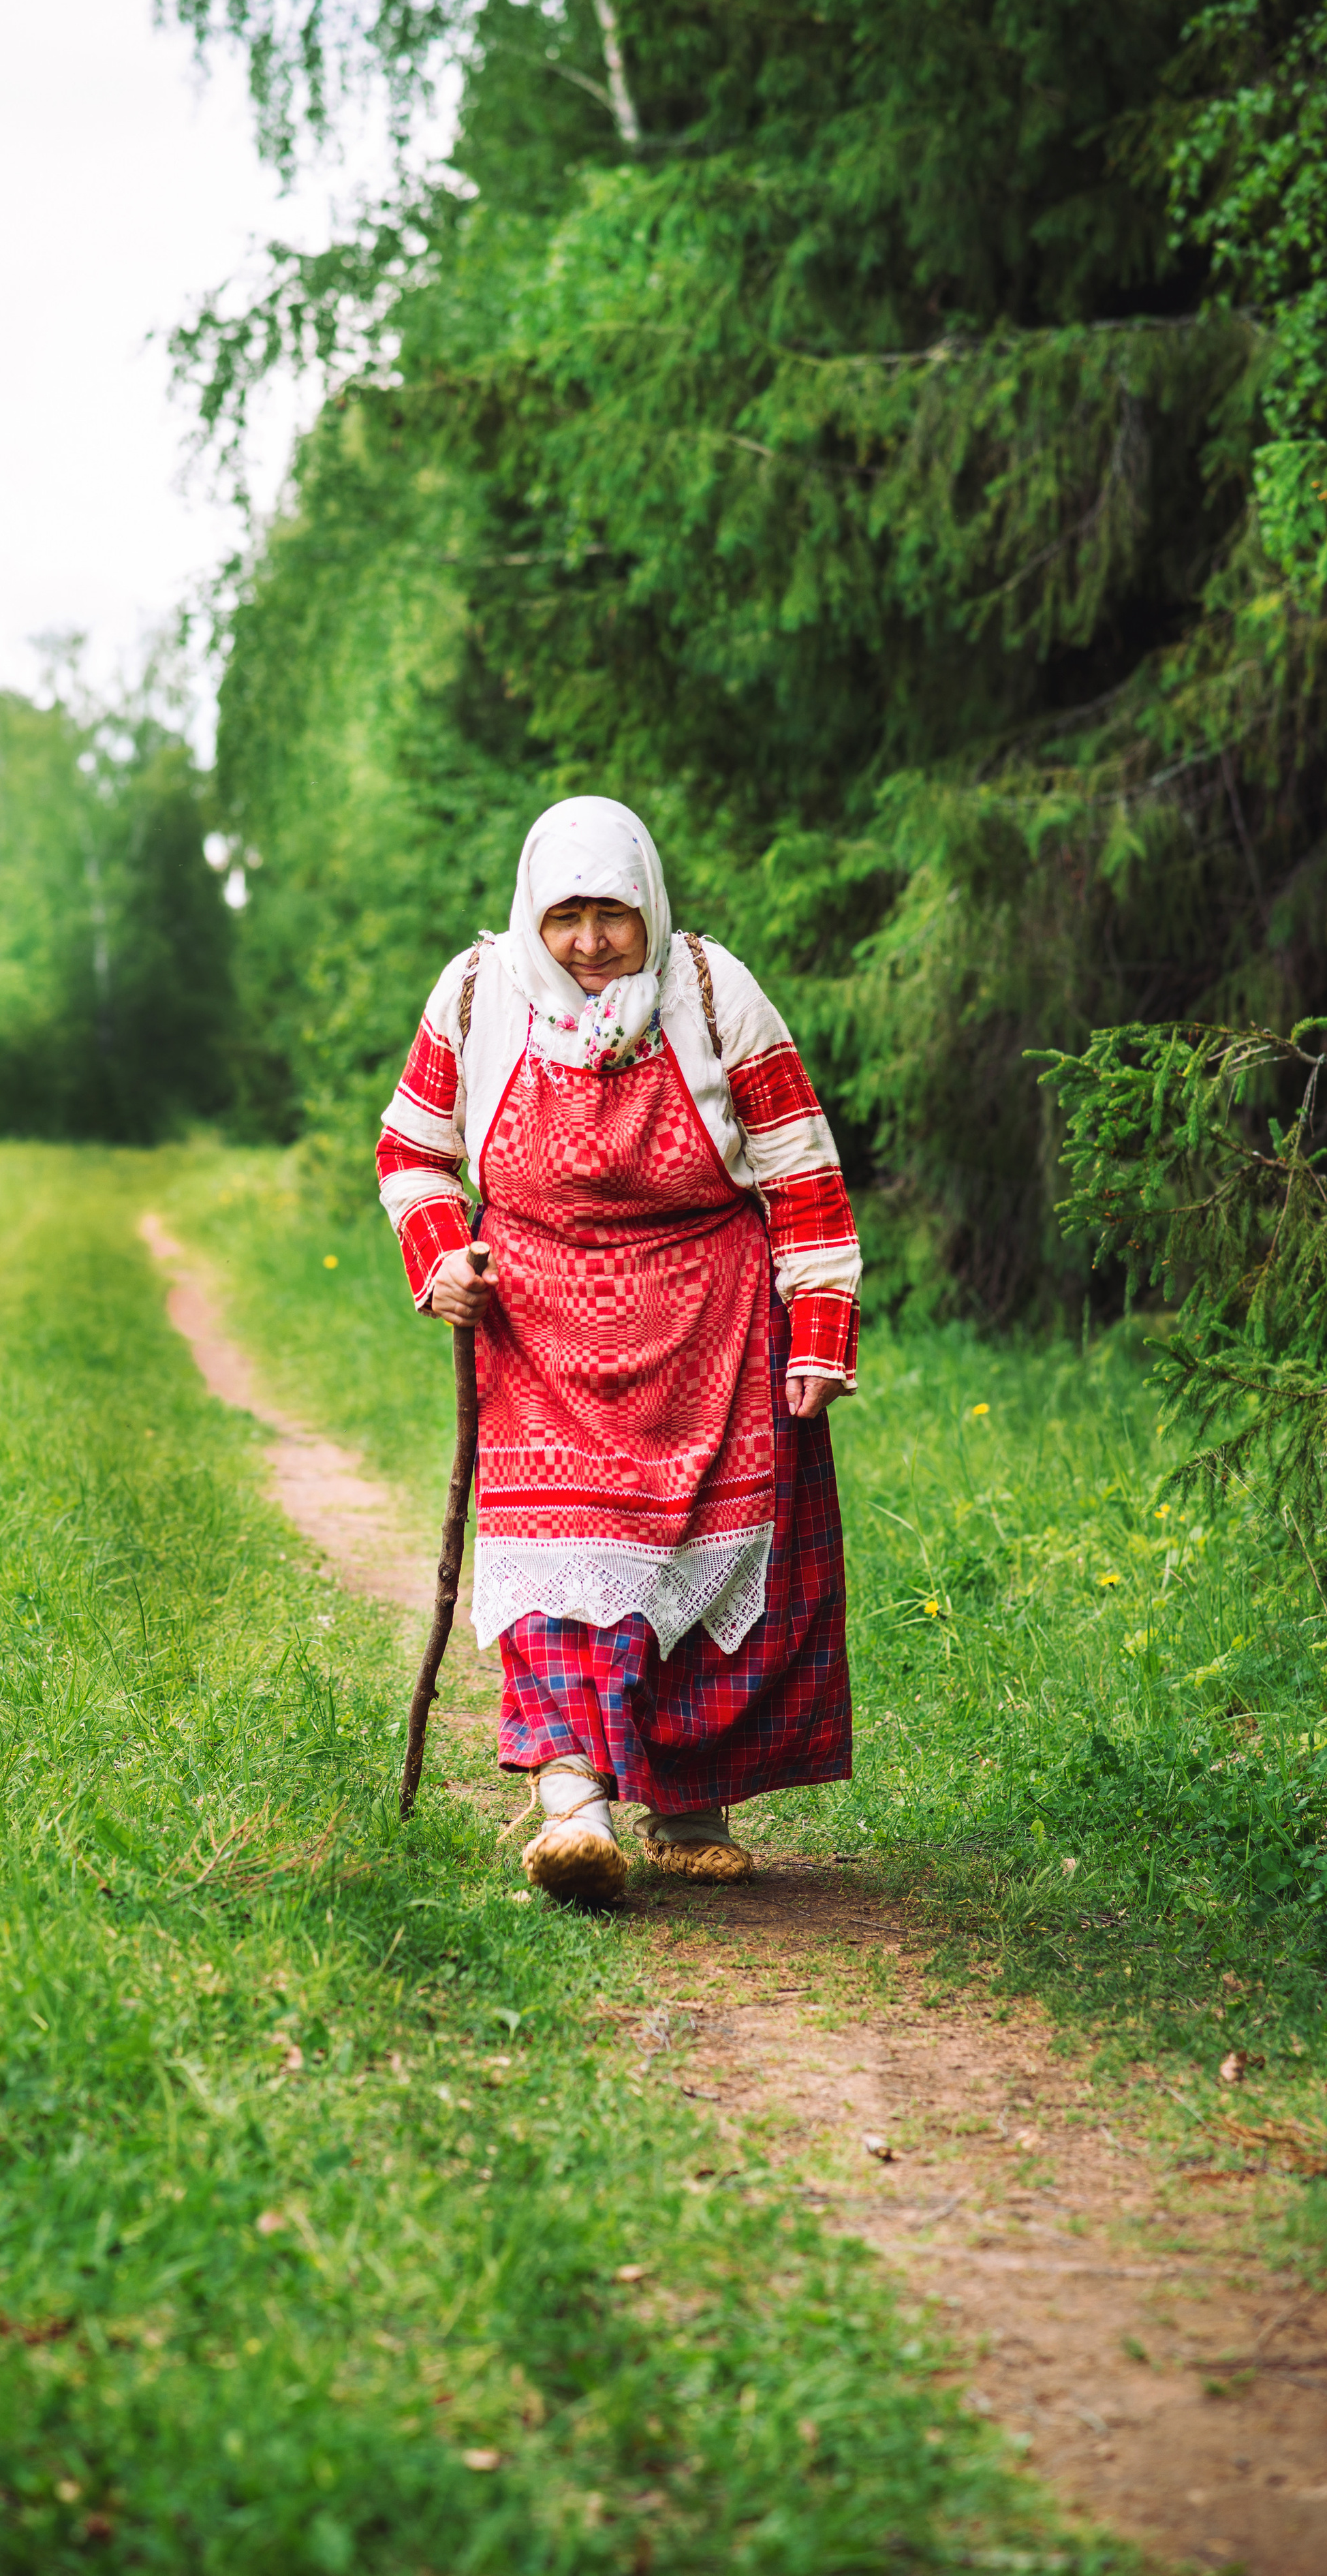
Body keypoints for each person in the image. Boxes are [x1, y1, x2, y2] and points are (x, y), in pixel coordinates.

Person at [376, 796, 860, 1902]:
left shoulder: (711, 989)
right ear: (531, 915)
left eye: (612, 915)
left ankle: (687, 1803)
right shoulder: (476, 991)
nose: (590, 942)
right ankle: (572, 1806)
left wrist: (820, 1327)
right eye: (566, 917)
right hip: (538, 1338)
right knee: (559, 1564)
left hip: (710, 1329)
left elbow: (799, 1164)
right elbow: (413, 1150)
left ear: (649, 904)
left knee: (697, 1568)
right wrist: (444, 1257)